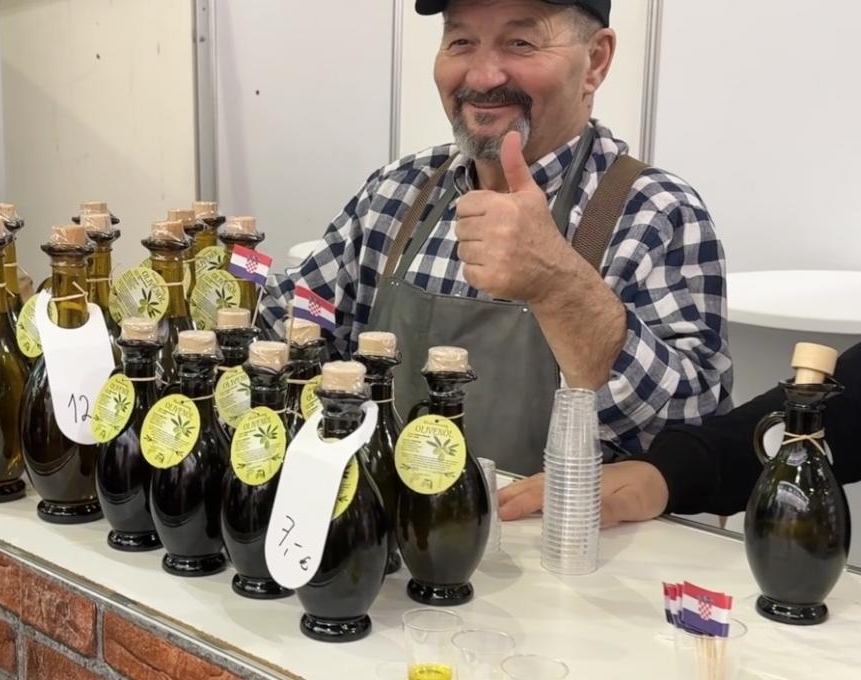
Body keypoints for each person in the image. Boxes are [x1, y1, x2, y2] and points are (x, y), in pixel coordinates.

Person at [258, 0, 732, 475]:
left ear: (596, 60)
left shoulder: (655, 212)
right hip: (386, 515)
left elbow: (692, 440)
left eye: (520, 43)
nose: (483, 77)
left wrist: (559, 285)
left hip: (552, 523)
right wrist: (234, 282)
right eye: (461, 41)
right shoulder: (399, 192)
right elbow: (295, 323)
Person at [499, 175, 861, 523]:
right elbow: (856, 406)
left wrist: (561, 290)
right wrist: (665, 473)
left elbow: (689, 406)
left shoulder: (660, 206)